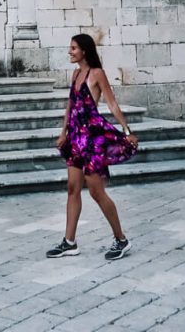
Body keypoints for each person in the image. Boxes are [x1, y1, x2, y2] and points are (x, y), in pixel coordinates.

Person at [47, 33, 139, 260]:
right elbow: (70, 106)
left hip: (93, 139)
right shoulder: (76, 74)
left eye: (74, 48)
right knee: (72, 188)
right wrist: (63, 133)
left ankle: (121, 239)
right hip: (76, 139)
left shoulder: (96, 74)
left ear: (84, 51)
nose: (70, 52)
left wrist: (127, 131)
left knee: (97, 191)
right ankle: (69, 242)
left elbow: (112, 103)